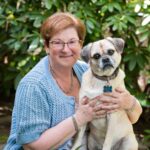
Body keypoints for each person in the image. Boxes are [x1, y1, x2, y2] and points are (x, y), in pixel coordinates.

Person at [4, 12, 142, 150]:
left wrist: (128, 102)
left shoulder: (88, 72)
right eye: (57, 42)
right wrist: (79, 118)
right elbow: (32, 145)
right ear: (46, 46)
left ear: (80, 44)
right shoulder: (33, 85)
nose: (66, 49)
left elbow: (133, 118)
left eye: (72, 42)